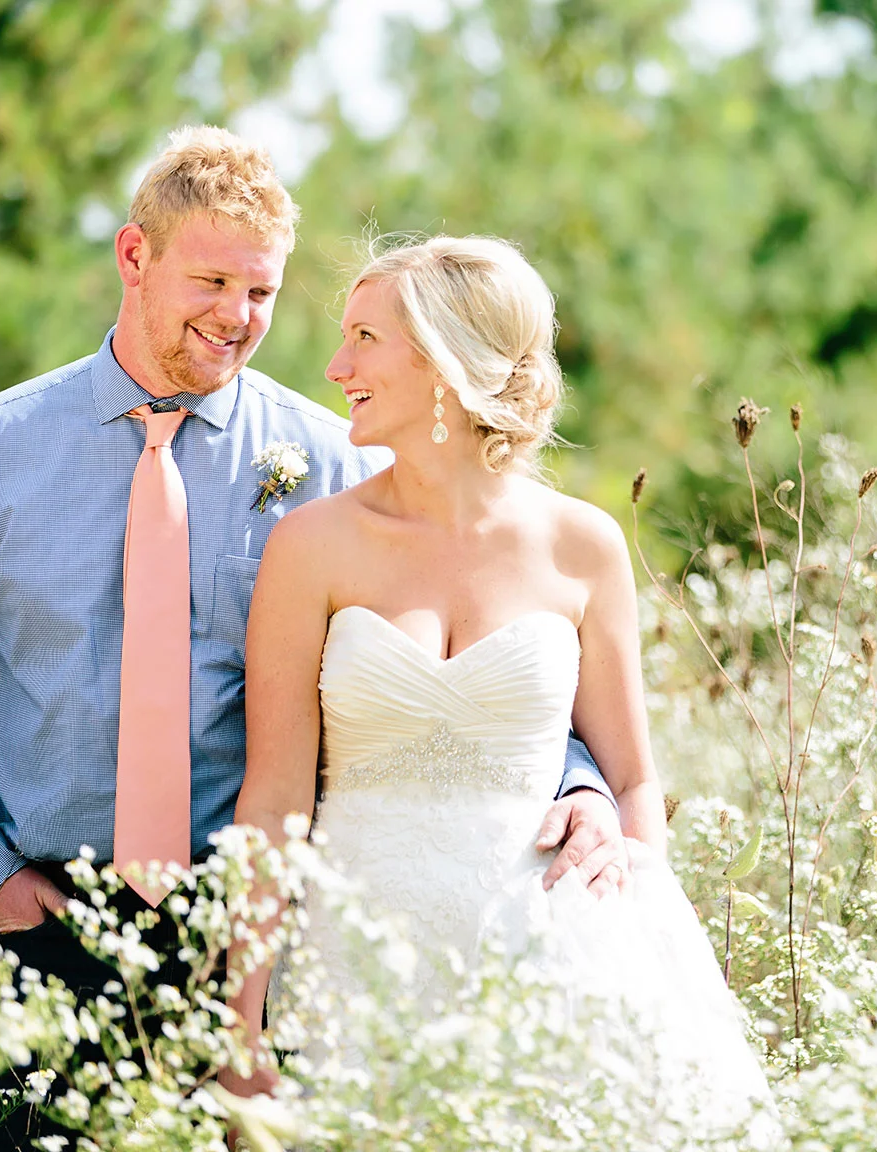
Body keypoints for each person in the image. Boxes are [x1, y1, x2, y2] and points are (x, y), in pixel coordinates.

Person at [0, 127, 625, 1152]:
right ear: (134, 257)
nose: (238, 318)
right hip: (52, 923)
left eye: (261, 293)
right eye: (212, 280)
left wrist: (580, 783)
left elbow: (466, 669)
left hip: (281, 936)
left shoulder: (342, 465)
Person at [220, 235, 772, 1137]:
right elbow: (275, 797)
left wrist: (631, 942)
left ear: (443, 361)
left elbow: (633, 778)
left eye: (364, 339)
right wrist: (240, 1031)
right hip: (357, 964)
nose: (335, 365)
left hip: (549, 956)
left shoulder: (582, 546)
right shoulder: (310, 546)